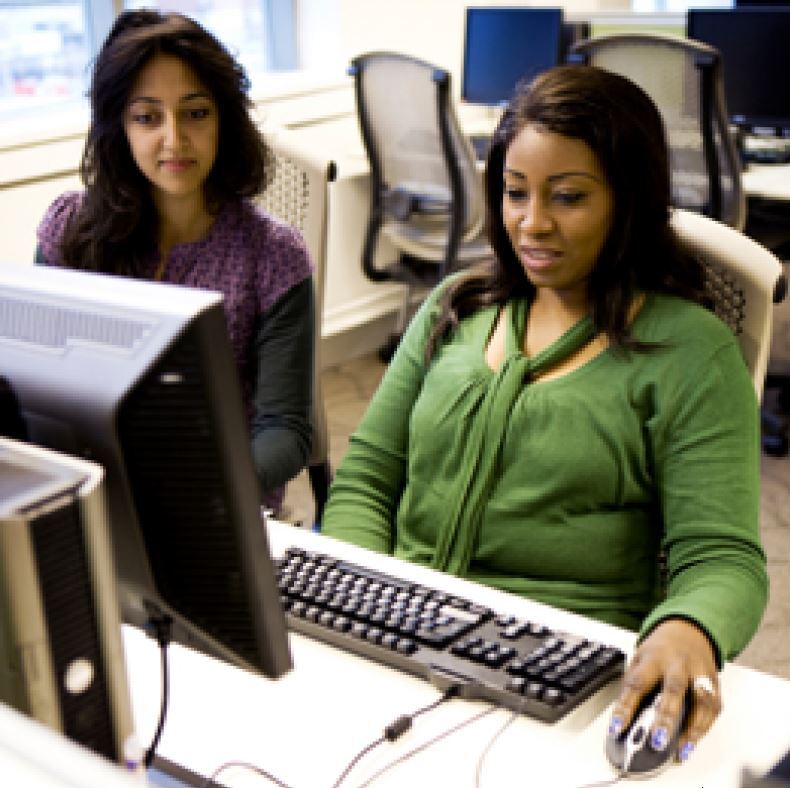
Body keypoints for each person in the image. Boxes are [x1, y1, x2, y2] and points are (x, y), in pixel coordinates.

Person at [322, 65, 768, 762]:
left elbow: (722, 558)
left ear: (630, 200)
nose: (533, 223)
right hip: (396, 646)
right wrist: (358, 600)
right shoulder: (456, 310)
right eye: (515, 193)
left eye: (568, 197)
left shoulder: (689, 352)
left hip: (560, 677)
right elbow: (369, 480)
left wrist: (690, 626)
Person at [35, 10, 314, 514]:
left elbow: (286, 430)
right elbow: (37, 395)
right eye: (147, 117)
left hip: (216, 502)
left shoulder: (273, 255)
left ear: (224, 119)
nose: (174, 139)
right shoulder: (68, 233)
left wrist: (208, 494)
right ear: (119, 126)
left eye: (196, 113)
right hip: (94, 494)